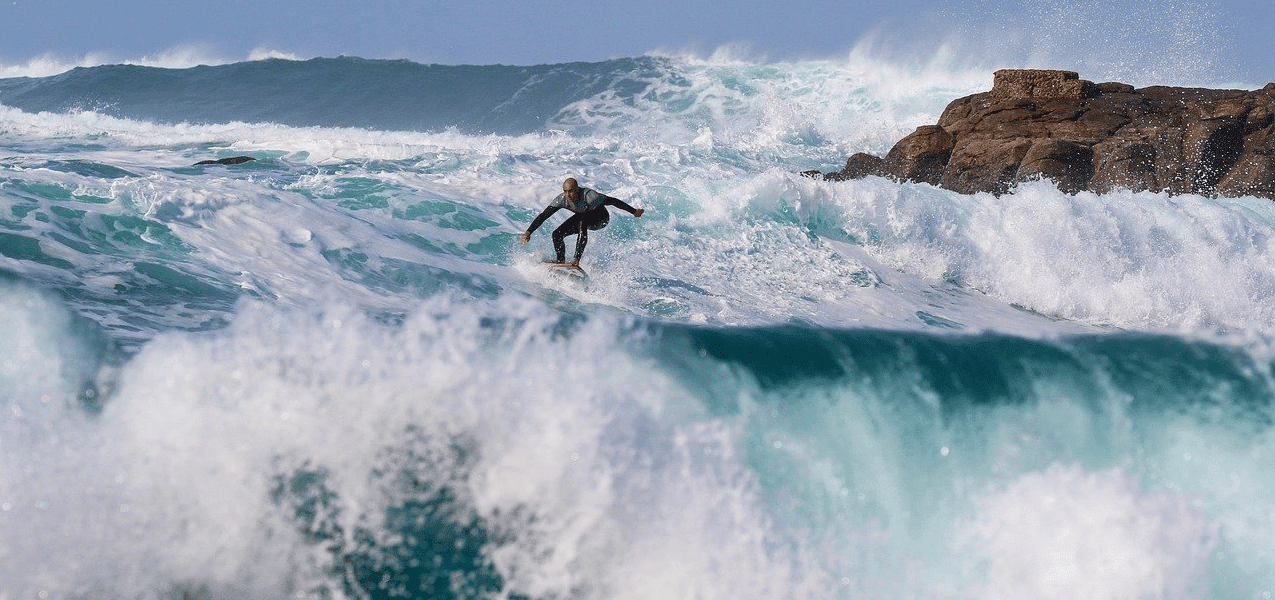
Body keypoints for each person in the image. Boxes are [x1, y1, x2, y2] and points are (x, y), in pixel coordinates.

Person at [519, 177, 645, 266]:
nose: (568, 195)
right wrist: (528, 232)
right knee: (557, 234)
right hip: (582, 217)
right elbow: (544, 215)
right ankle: (561, 261)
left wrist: (634, 211)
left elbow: (613, 201)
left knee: (582, 220)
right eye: (565, 191)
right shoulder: (561, 199)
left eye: (571, 191)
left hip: (601, 219)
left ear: (577, 189)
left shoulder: (591, 197)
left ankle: (576, 259)